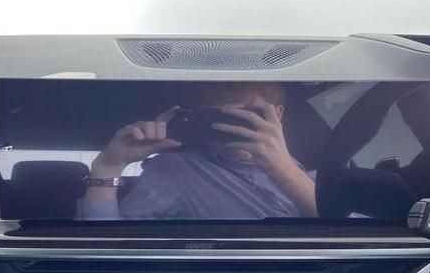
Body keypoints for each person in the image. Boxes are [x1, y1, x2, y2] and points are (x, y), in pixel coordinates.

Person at [77, 82, 317, 220]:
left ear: (277, 114)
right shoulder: (176, 171)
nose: (230, 128)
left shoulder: (318, 175)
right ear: (200, 118)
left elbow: (341, 233)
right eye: (218, 118)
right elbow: (108, 246)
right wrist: (108, 167)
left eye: (242, 116)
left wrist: (283, 168)